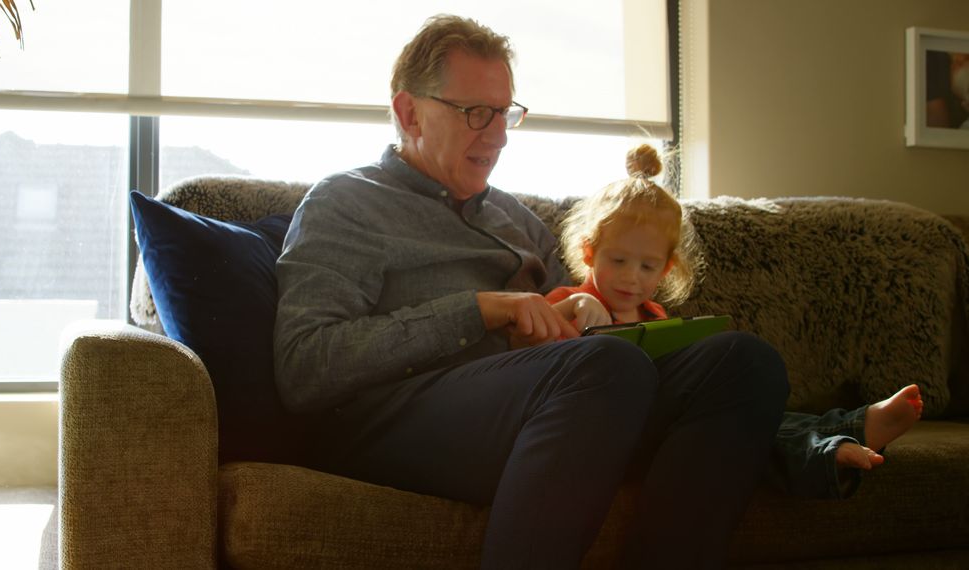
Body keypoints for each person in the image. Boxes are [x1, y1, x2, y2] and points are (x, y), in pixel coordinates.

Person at [274, 14, 789, 569]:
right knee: (605, 368)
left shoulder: (513, 217)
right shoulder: (345, 203)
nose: (496, 136)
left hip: (547, 406)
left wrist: (581, 310)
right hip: (393, 418)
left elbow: (580, 342)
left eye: (504, 114)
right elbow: (305, 367)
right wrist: (480, 311)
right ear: (409, 112)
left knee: (742, 361)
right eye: (475, 113)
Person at [547, 143, 925, 499]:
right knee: (729, 426)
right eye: (618, 261)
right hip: (621, 430)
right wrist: (574, 307)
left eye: (648, 266)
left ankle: (840, 437)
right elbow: (533, 372)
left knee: (744, 418)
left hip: (678, 426)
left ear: (667, 269)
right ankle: (845, 434)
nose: (632, 277)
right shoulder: (573, 304)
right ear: (589, 251)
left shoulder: (655, 316)